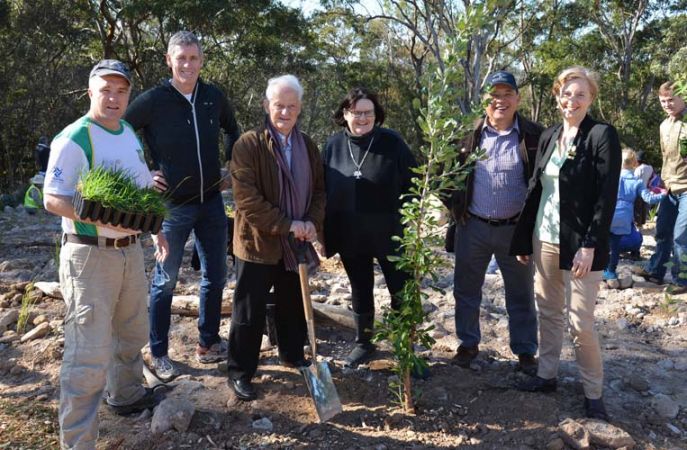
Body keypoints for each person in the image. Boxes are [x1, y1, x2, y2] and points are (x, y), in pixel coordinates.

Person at [43, 59, 169, 450]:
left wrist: (155, 230)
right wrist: (95, 213)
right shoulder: (75, 138)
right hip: (90, 257)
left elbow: (139, 187)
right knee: (89, 355)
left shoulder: (129, 131)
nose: (114, 98)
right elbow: (52, 199)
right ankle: (78, 441)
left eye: (121, 91)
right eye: (106, 90)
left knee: (131, 332)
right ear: (91, 93)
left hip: (130, 251)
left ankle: (127, 395)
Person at [124, 31, 240, 381]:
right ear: (168, 60)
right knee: (165, 281)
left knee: (216, 275)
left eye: (193, 58)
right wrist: (142, 172)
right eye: (181, 58)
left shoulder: (212, 96)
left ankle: (207, 342)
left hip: (211, 203)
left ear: (201, 60)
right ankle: (157, 352)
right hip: (171, 207)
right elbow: (121, 131)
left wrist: (231, 167)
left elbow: (233, 130)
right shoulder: (154, 100)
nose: (187, 64)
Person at [511, 66, 621, 421]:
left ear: (591, 99)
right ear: (557, 96)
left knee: (581, 323)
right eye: (566, 93)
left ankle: (593, 393)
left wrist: (590, 244)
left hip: (581, 245)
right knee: (549, 313)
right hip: (544, 237)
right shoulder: (549, 136)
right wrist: (523, 237)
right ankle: (547, 375)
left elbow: (606, 196)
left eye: (580, 94)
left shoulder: (602, 135)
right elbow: (535, 188)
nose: (571, 100)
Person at [226, 74, 325, 401]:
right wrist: (288, 224)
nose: (285, 112)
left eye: (292, 107)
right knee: (249, 312)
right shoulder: (248, 144)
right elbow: (248, 202)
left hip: (294, 243)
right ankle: (241, 372)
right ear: (267, 105)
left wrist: (310, 221)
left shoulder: (307, 145)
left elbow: (320, 192)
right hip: (256, 245)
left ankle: (292, 354)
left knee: (291, 304)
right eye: (279, 105)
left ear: (299, 109)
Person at [444, 70, 542, 374]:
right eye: (494, 95)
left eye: (507, 94)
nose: (500, 101)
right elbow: (441, 174)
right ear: (485, 100)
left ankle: (526, 352)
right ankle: (468, 344)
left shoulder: (534, 136)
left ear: (517, 99)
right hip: (472, 226)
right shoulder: (466, 135)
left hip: (515, 230)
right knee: (466, 289)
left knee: (521, 294)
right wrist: (454, 207)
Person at [321, 87, 417, 367]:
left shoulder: (392, 142)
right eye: (356, 112)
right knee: (360, 287)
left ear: (376, 115)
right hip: (349, 233)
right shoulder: (333, 145)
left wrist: (414, 222)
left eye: (368, 113)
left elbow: (414, 182)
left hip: (391, 232)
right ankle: (364, 343)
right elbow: (322, 190)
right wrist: (323, 233)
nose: (362, 118)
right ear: (345, 114)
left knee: (401, 289)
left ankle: (405, 347)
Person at [633, 82, 687, 292]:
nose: (667, 104)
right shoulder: (664, 125)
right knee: (663, 232)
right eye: (663, 101)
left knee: (681, 236)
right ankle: (656, 272)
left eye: (671, 99)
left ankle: (681, 280)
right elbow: (666, 157)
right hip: (669, 188)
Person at [604, 148, 665, 287]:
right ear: (634, 163)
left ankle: (601, 269)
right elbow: (649, 198)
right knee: (615, 244)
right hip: (624, 217)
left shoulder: (611, 177)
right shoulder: (637, 182)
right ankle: (611, 271)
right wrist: (664, 194)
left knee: (603, 243)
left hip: (609, 213)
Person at [632, 150, 654, 228]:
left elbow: (635, 179)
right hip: (647, 190)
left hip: (638, 190)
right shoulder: (650, 168)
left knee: (637, 208)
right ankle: (642, 223)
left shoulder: (639, 169)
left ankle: (637, 224)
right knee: (644, 208)